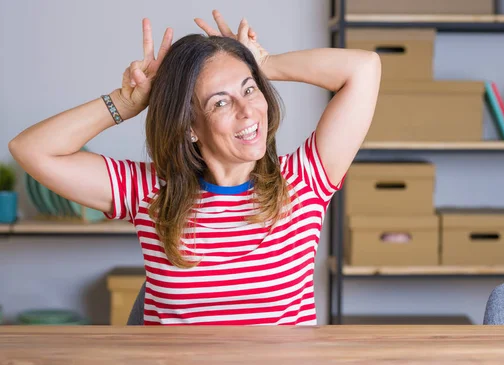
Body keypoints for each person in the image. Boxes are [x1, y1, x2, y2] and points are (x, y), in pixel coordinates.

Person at [8, 10, 381, 325]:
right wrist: (126, 102)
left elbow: (365, 68)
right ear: (189, 127)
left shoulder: (303, 181)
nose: (248, 110)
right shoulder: (151, 192)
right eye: (221, 103)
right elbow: (31, 150)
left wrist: (264, 64)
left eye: (250, 89)